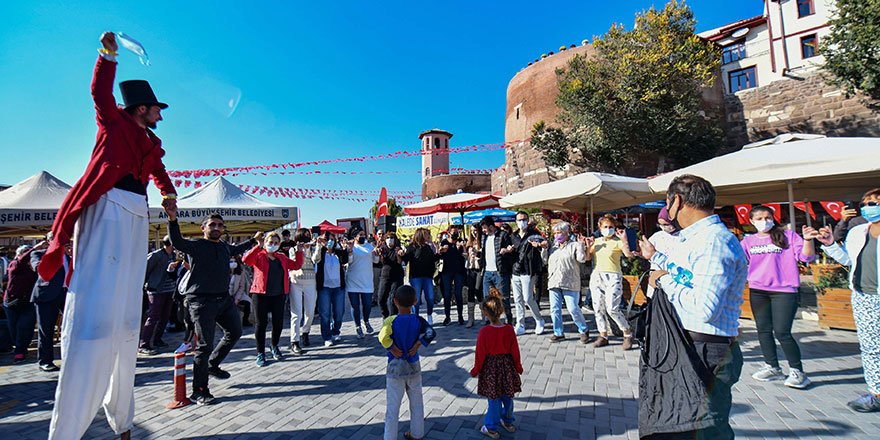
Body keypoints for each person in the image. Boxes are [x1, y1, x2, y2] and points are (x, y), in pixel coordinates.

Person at [42, 32, 178, 440]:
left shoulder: (150, 141)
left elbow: (158, 171)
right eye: (157, 109)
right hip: (106, 207)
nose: (161, 115)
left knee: (125, 314)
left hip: (136, 213)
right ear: (141, 107)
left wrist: (168, 196)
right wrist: (108, 55)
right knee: (98, 307)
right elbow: (100, 92)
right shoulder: (113, 120)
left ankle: (121, 418)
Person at [639, 174, 748, 439]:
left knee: (704, 430)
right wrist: (657, 259)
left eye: (668, 203)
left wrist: (664, 281)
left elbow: (704, 308)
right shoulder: (696, 239)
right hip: (689, 346)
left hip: (705, 352)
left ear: (676, 201)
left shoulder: (714, 242)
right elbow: (686, 274)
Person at [167, 210, 258, 405]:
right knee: (204, 345)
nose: (216, 227)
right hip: (201, 302)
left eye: (219, 225)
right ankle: (199, 390)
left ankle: (212, 364)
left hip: (223, 299)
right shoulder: (196, 246)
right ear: (203, 228)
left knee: (235, 332)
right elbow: (176, 241)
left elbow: (237, 249)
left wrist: (254, 241)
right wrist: (172, 220)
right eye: (212, 225)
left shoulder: (224, 247)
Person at [814, 188, 880, 412]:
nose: (870, 207)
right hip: (863, 296)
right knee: (871, 347)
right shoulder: (858, 231)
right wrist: (831, 243)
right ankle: (876, 392)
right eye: (867, 203)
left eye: (875, 203)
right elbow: (848, 260)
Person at [741, 206, 815, 389]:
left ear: (773, 218)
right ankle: (772, 366)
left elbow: (807, 256)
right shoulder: (748, 241)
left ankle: (798, 371)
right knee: (763, 330)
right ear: (751, 221)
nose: (764, 221)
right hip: (758, 290)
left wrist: (807, 240)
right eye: (759, 218)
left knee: (782, 332)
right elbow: (738, 261)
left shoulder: (787, 236)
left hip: (784, 290)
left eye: (767, 217)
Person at [379, 284, 436, 440]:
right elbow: (431, 332)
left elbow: (382, 337)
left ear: (395, 301)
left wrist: (391, 347)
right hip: (413, 365)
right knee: (417, 402)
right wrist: (418, 344)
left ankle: (389, 437)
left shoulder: (391, 321)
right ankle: (417, 433)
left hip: (395, 367)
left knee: (393, 407)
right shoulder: (418, 320)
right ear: (415, 301)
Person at [242, 231, 303, 367]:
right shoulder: (259, 255)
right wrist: (258, 245)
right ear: (265, 242)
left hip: (278, 295)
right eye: (270, 242)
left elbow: (296, 265)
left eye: (276, 243)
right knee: (261, 324)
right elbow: (246, 260)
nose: (273, 245)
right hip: (260, 294)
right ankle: (260, 353)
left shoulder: (281, 257)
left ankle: (274, 346)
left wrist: (299, 252)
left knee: (278, 323)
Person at [470, 295, 523, 439]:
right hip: (507, 367)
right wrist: (518, 366)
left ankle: (491, 427)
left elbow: (480, 354)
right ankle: (507, 421)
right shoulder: (509, 329)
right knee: (507, 396)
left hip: (491, 368)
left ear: (485, 313)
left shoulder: (484, 332)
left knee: (493, 399)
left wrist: (476, 370)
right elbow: (515, 350)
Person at [586, 215, 635, 350]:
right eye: (605, 227)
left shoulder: (618, 242)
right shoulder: (596, 241)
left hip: (613, 276)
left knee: (612, 308)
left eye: (610, 227)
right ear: (600, 228)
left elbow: (628, 255)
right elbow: (587, 258)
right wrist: (587, 247)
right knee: (598, 308)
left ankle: (627, 333)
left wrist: (624, 240)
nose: (608, 229)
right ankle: (603, 335)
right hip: (597, 276)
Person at [545, 222, 592, 344]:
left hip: (570, 282)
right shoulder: (553, 247)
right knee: (555, 309)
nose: (557, 235)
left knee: (573, 308)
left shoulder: (574, 245)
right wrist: (544, 249)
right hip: (554, 281)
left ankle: (583, 329)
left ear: (566, 233)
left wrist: (582, 245)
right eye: (555, 233)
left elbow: (582, 259)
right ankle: (558, 332)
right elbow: (545, 261)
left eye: (559, 233)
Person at [30, 239, 71, 372]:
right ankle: (45, 361)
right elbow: (40, 269)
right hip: (46, 295)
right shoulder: (39, 254)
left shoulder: (69, 257)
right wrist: (52, 253)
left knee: (73, 327)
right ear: (49, 241)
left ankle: (72, 358)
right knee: (46, 330)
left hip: (67, 294)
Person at [139, 236, 180, 355]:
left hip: (169, 289)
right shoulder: (156, 255)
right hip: (155, 289)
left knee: (165, 316)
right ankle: (144, 344)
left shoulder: (173, 255)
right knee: (153, 316)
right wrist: (144, 285)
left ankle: (157, 339)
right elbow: (145, 270)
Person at [510, 212, 547, 336]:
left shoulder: (534, 234)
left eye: (524, 219)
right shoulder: (513, 236)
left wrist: (541, 246)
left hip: (528, 270)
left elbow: (545, 243)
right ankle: (520, 324)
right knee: (518, 299)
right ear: (516, 221)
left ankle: (539, 319)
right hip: (515, 270)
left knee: (528, 298)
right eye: (519, 220)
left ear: (528, 220)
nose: (522, 222)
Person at [4, 243, 42, 364]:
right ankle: (20, 347)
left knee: (25, 326)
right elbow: (21, 261)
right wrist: (35, 248)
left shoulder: (34, 267)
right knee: (13, 328)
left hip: (28, 302)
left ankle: (20, 350)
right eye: (26, 252)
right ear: (19, 254)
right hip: (11, 302)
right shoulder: (14, 265)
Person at [313, 230, 350, 346]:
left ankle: (336, 330)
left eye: (333, 240)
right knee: (325, 313)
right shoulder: (321, 252)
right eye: (328, 239)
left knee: (339, 312)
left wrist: (345, 249)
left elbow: (346, 260)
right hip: (324, 287)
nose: (330, 242)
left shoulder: (338, 253)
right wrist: (319, 245)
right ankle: (327, 336)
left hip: (338, 287)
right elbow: (315, 259)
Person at [480, 216, 515, 322]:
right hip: (487, 271)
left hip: (500, 271)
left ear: (491, 227)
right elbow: (484, 253)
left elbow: (511, 252)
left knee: (503, 298)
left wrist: (507, 251)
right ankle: (489, 320)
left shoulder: (502, 235)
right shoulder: (484, 237)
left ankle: (508, 319)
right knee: (487, 298)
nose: (483, 231)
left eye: (485, 228)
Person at [400, 228, 439, 324]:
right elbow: (406, 259)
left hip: (427, 276)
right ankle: (415, 318)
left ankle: (429, 315)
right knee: (416, 300)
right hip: (416, 277)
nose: (428, 236)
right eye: (426, 234)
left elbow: (433, 259)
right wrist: (402, 254)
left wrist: (439, 252)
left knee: (430, 297)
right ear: (421, 235)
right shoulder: (412, 247)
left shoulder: (428, 247)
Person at [346, 226, 379, 338]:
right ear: (355, 236)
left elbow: (376, 261)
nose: (363, 236)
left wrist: (376, 254)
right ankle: (357, 326)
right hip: (353, 281)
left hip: (367, 281)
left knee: (367, 305)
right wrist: (349, 251)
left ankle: (366, 321)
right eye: (360, 234)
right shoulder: (351, 246)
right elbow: (349, 262)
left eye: (364, 234)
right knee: (355, 306)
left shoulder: (370, 246)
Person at [288, 228, 317, 351]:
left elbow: (316, 259)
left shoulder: (313, 247)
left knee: (310, 311)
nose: (306, 239)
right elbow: (295, 262)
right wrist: (300, 249)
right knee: (296, 312)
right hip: (296, 281)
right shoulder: (292, 249)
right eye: (303, 237)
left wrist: (317, 246)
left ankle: (306, 331)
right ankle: (294, 340)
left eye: (307, 236)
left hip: (310, 281)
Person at [646, 207, 679, 298]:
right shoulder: (657, 237)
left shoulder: (683, 236)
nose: (664, 227)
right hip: (656, 284)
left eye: (666, 224)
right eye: (661, 225)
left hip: (674, 283)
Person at [438, 226, 467, 326]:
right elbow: (440, 254)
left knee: (458, 294)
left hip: (459, 271)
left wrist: (462, 247)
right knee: (447, 295)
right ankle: (447, 316)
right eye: (454, 232)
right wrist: (441, 250)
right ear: (449, 233)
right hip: (447, 271)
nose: (456, 234)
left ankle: (460, 316)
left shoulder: (460, 241)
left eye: (457, 232)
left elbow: (465, 254)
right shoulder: (444, 242)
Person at [378, 232, 405, 318]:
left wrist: (400, 254)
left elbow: (400, 262)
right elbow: (382, 261)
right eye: (388, 238)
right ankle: (385, 316)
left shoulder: (398, 249)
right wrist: (379, 253)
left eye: (392, 238)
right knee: (381, 298)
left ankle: (393, 318)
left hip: (397, 276)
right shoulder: (383, 248)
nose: (390, 239)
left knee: (392, 299)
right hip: (385, 276)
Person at [465, 229, 485, 328]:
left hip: (479, 269)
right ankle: (470, 318)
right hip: (470, 269)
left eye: (476, 231)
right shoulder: (468, 243)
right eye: (472, 231)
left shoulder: (482, 241)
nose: (474, 232)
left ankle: (484, 316)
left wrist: (479, 254)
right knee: (471, 291)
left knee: (478, 291)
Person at [228, 256, 252, 327]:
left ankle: (245, 320)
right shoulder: (223, 272)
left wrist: (237, 298)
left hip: (237, 293)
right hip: (226, 294)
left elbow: (242, 286)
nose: (233, 263)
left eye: (234, 261)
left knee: (247, 302)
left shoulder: (240, 272)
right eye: (231, 262)